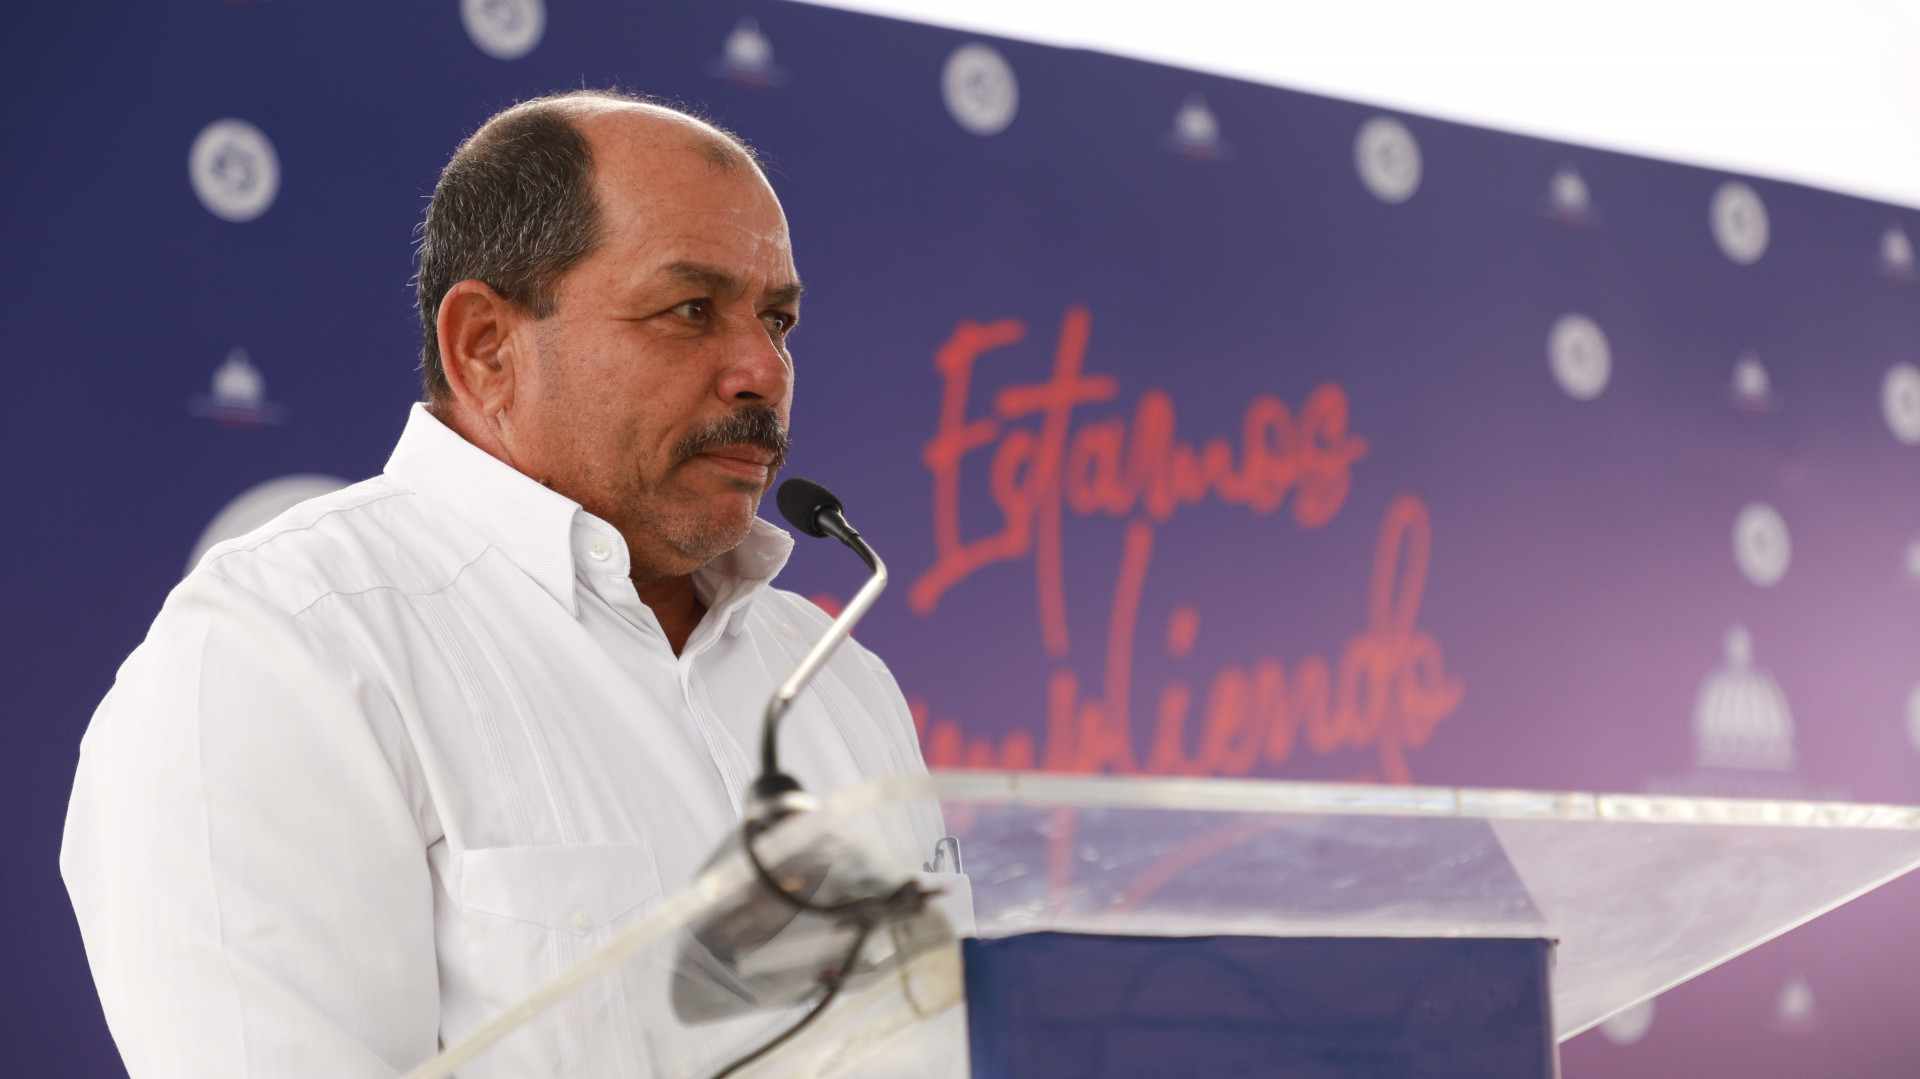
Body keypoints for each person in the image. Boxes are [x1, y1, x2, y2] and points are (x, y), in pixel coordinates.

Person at [61, 91, 940, 1078]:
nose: (761, 371)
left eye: (776, 320)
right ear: (485, 345)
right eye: (691, 310)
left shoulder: (833, 672)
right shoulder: (275, 652)